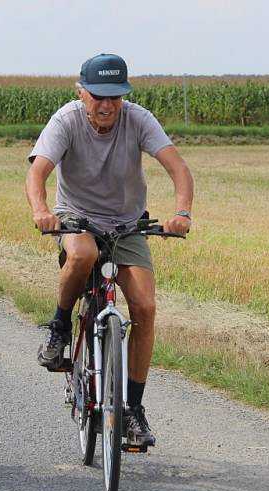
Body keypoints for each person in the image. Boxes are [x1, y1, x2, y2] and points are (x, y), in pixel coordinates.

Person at [25, 53, 194, 446]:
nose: (106, 105)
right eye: (98, 95)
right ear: (81, 92)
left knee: (146, 307)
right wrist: (41, 211)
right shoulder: (65, 120)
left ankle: (133, 410)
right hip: (77, 218)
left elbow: (178, 168)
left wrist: (181, 212)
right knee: (82, 256)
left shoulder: (139, 119)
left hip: (127, 223)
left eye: (115, 97)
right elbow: (38, 171)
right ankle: (59, 327)